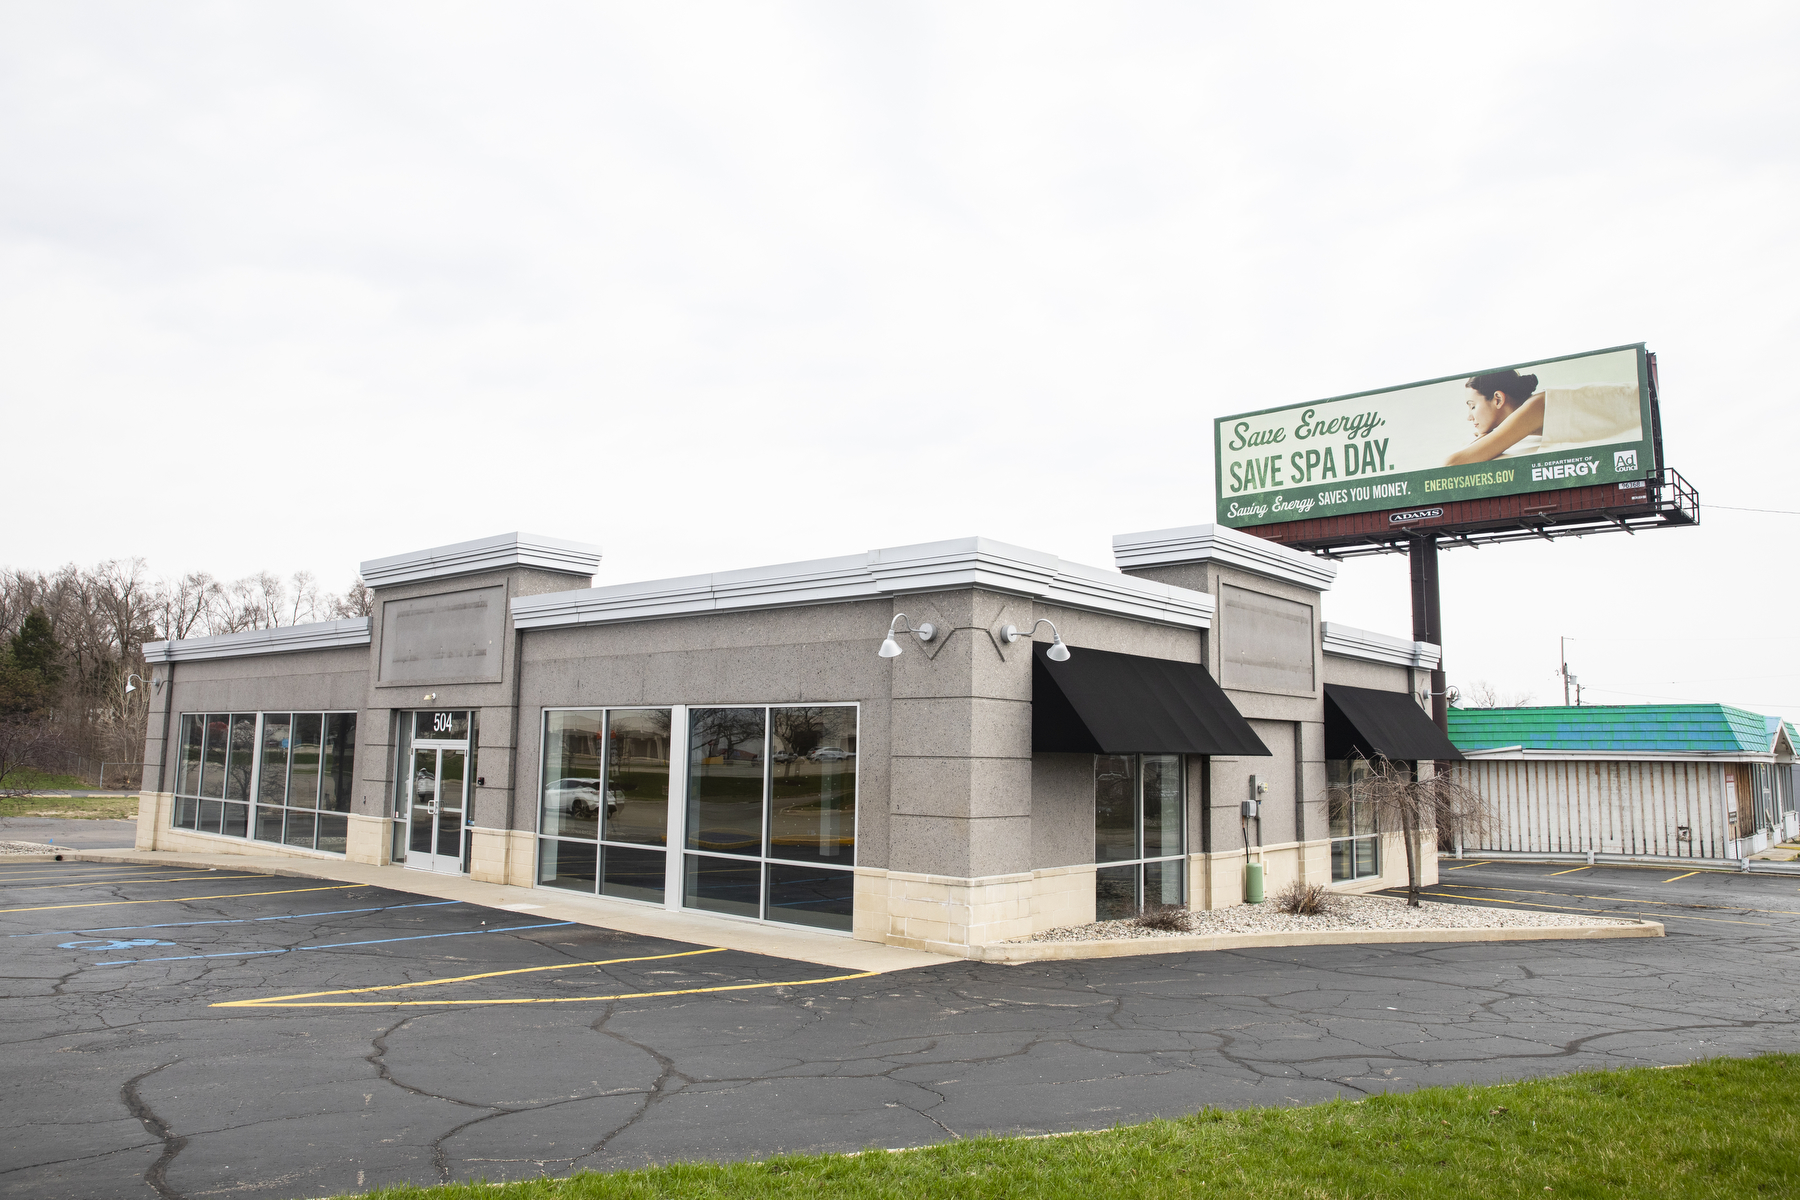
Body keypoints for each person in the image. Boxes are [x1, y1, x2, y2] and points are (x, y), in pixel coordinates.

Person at [1444, 368, 1641, 465]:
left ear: (1497, 399)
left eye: (1472, 406)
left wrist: (1484, 439)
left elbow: (1452, 463)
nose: (1469, 417)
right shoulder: (1533, 411)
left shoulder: (1535, 407)